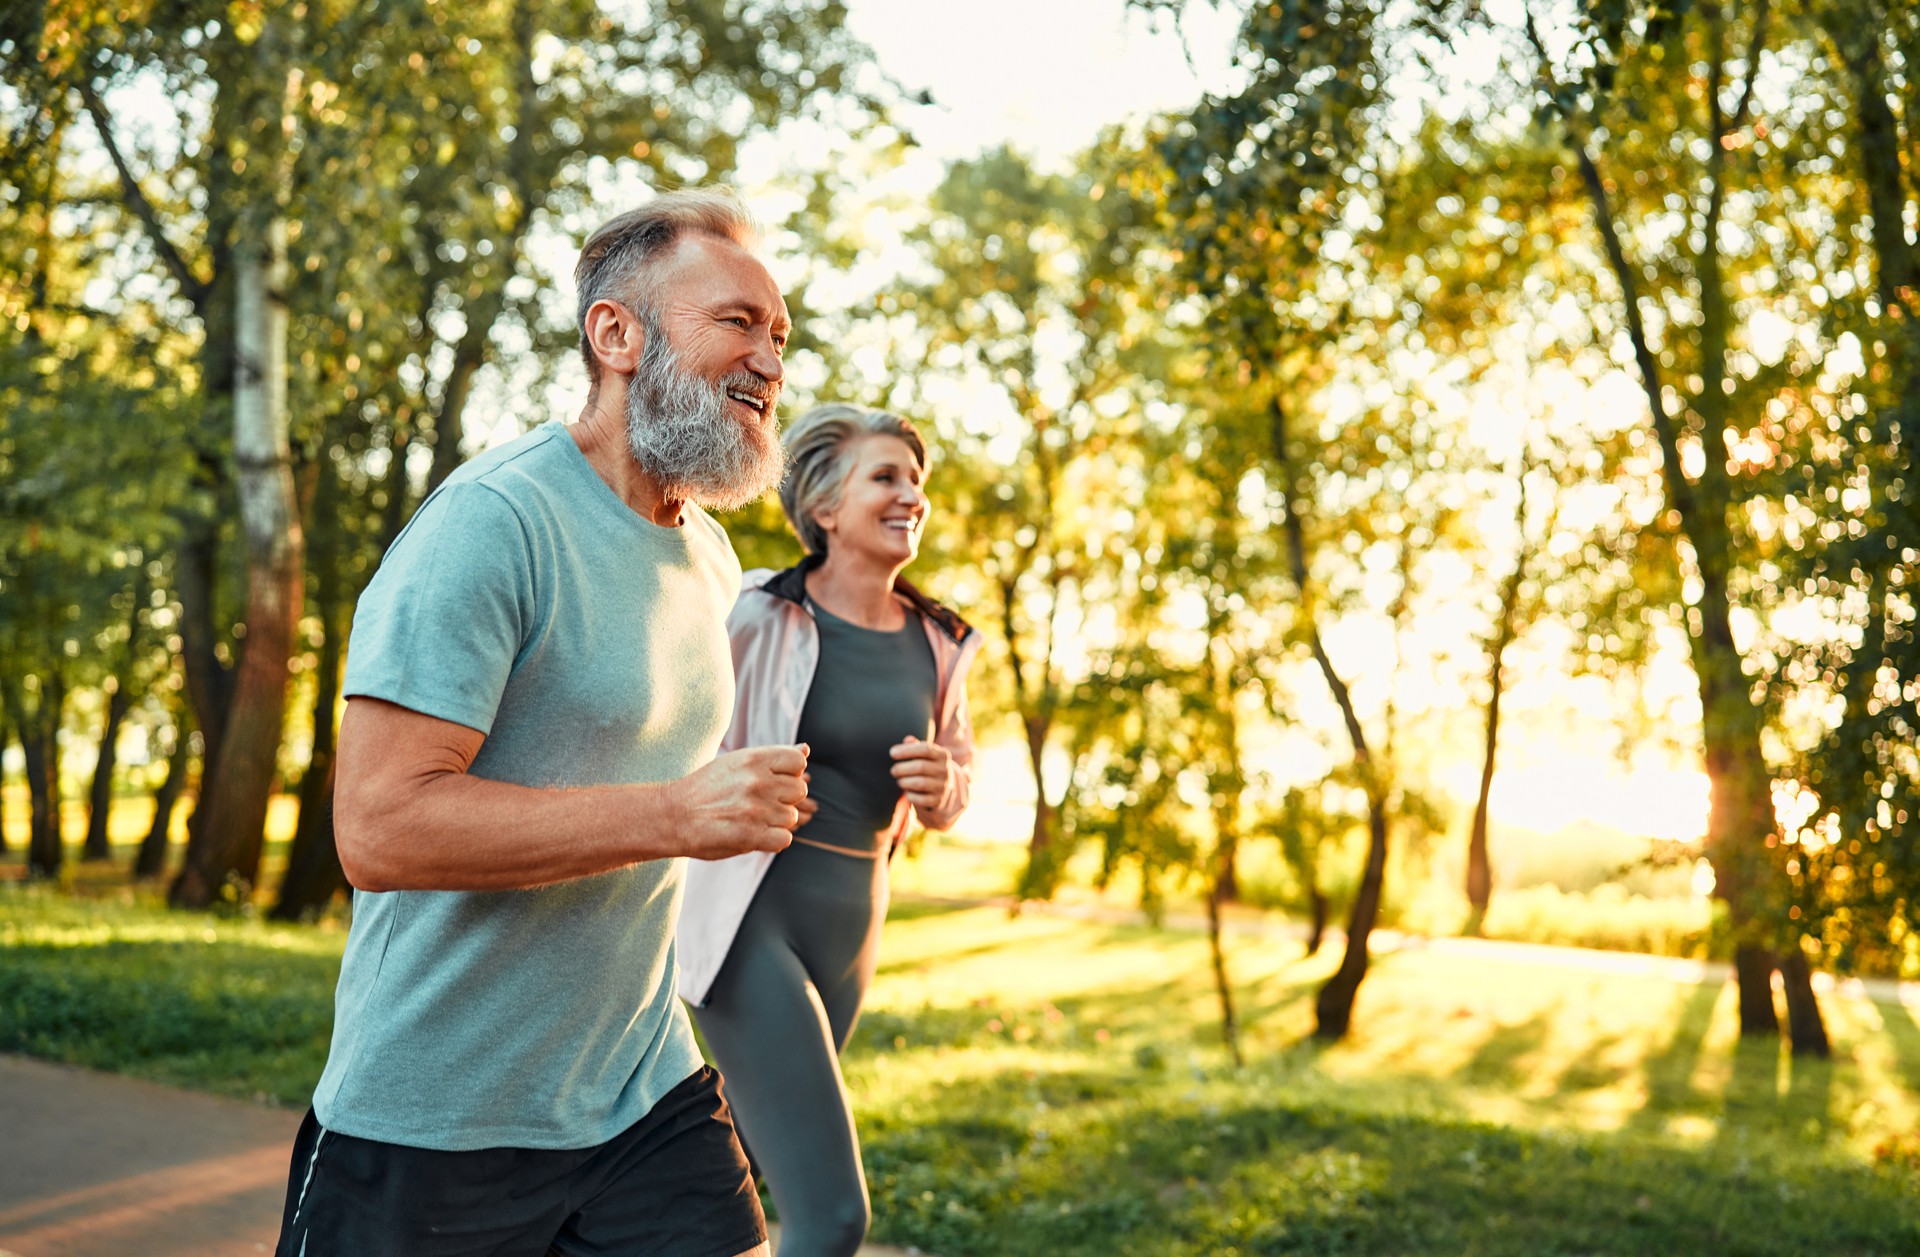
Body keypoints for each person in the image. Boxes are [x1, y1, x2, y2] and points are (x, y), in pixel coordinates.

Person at [273, 188, 808, 1257]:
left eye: (782, 336)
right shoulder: (492, 525)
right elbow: (379, 829)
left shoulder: (706, 556)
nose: (770, 362)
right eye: (737, 323)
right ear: (617, 335)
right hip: (436, 1113)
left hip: (639, 1087)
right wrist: (672, 814)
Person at [677, 404, 982, 1257]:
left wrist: (946, 783)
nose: (910, 495)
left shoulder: (941, 640)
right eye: (886, 477)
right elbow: (674, 737)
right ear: (824, 508)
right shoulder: (751, 611)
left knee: (733, 1173)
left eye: (916, 481)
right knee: (833, 1216)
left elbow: (958, 779)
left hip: (852, 922)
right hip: (750, 917)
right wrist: (737, 785)